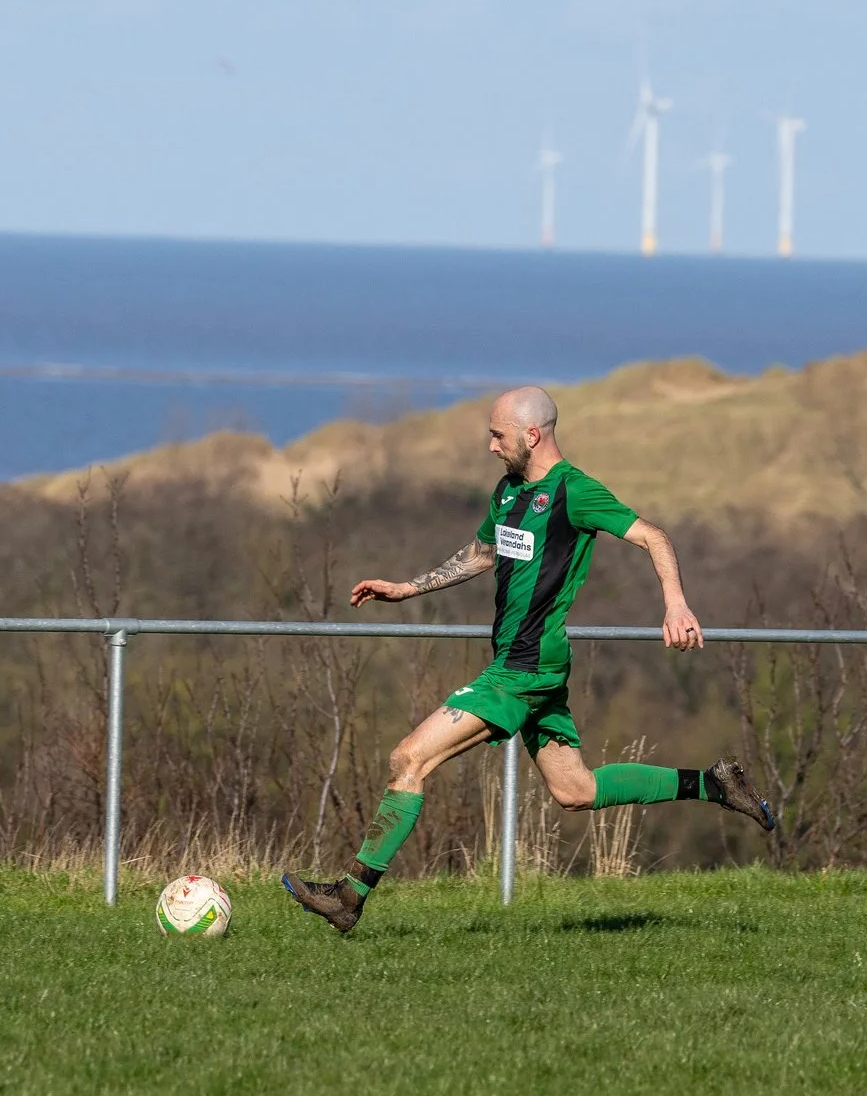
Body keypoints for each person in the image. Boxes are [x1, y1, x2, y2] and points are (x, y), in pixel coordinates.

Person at [282, 385, 771, 934]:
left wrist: (676, 604)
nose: (491, 446)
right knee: (575, 791)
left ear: (531, 435)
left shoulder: (574, 491)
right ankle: (712, 784)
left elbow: (653, 536)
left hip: (524, 668)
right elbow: (483, 552)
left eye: (498, 435)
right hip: (529, 665)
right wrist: (406, 589)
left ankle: (349, 896)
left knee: (408, 760)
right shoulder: (509, 489)